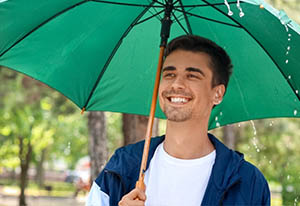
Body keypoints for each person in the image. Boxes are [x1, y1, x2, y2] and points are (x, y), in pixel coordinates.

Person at [85, 35, 270, 206]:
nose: (176, 84)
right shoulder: (122, 166)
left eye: (192, 75)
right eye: (169, 74)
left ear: (217, 93)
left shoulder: (248, 182)